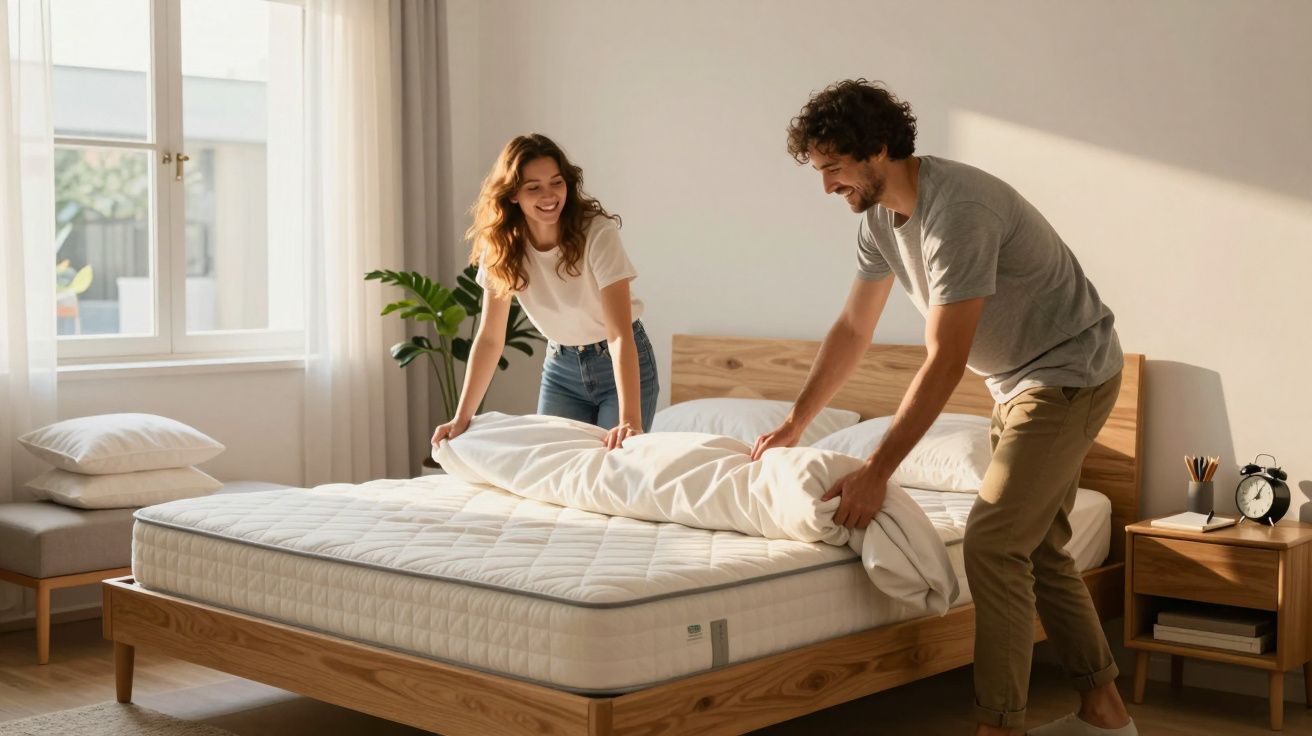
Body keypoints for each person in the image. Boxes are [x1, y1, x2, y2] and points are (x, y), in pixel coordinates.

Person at [752, 80, 1136, 736]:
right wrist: (795, 423)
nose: (826, 186)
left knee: (992, 542)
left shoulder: (959, 211)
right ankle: (1106, 715)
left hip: (1069, 373)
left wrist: (876, 471)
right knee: (1039, 548)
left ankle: (999, 725)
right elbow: (853, 329)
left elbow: (945, 359)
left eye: (834, 168)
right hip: (1014, 383)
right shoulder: (879, 221)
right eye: (819, 171)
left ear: (878, 148)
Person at [431, 134, 658, 450]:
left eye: (556, 183)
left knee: (615, 464)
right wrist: (461, 417)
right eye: (533, 187)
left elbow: (619, 335)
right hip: (561, 370)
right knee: (552, 463)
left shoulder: (597, 233)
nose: (549, 195)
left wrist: (630, 419)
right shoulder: (502, 247)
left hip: (617, 361)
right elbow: (491, 338)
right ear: (513, 194)